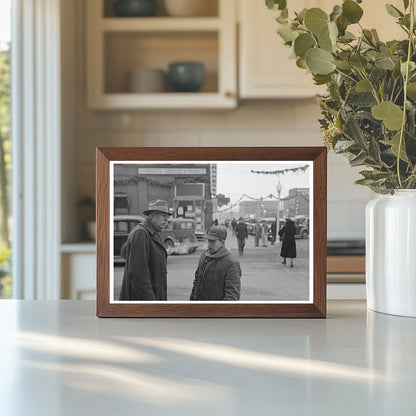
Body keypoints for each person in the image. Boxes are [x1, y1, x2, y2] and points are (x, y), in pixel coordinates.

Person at [119, 199, 172, 301]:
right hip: (143, 300)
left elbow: (124, 252)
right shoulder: (141, 233)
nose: (167, 220)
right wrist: (149, 303)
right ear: (152, 216)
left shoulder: (152, 232)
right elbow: (138, 274)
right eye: (163, 216)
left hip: (154, 295)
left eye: (167, 217)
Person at [190, 226, 241, 301]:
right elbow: (196, 282)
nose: (209, 245)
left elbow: (232, 296)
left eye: (213, 242)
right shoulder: (204, 256)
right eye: (208, 241)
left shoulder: (231, 263)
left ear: (222, 242)